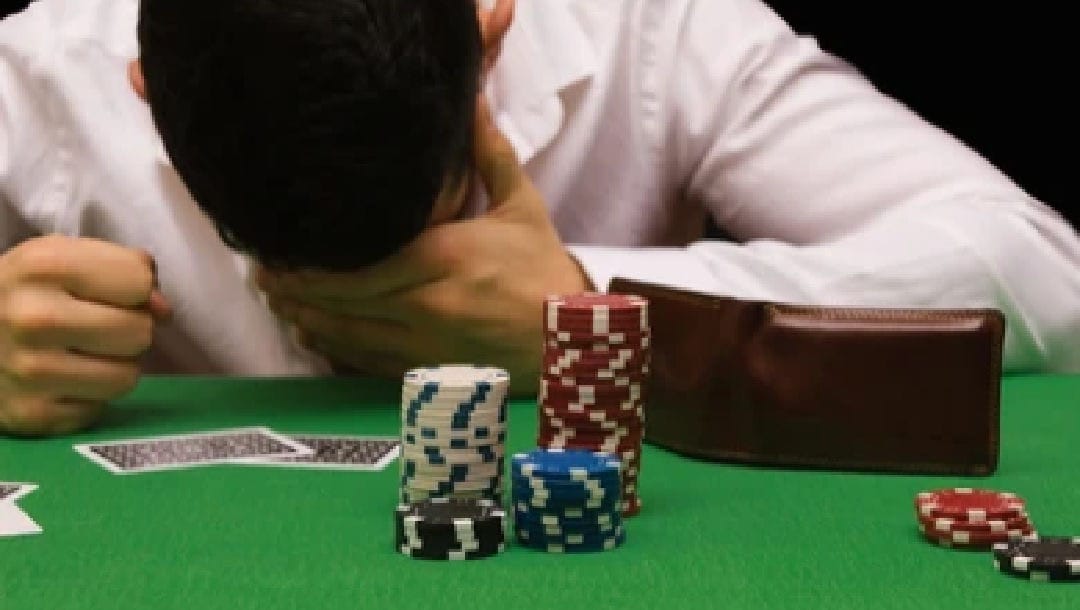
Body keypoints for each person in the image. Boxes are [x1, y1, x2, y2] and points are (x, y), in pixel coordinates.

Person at [0, 0, 1077, 437]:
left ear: (493, 35)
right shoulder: (49, 68)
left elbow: (1044, 268)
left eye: (419, 237)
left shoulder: (656, 30)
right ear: (141, 90)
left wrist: (595, 312)